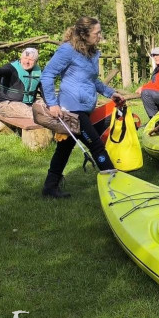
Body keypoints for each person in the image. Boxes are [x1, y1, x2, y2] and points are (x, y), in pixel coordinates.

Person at [40, 17, 124, 198]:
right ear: (84, 34)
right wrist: (52, 104)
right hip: (71, 108)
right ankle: (116, 186)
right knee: (96, 146)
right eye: (97, 33)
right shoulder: (67, 51)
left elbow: (92, 80)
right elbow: (47, 76)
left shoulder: (91, 53)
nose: (100, 36)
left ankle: (50, 187)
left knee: (64, 148)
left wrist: (110, 93)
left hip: (85, 107)